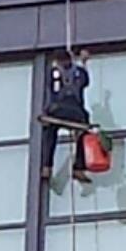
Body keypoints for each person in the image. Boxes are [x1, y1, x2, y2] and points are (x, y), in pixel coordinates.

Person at [38, 49, 94, 183]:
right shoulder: (78, 72)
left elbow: (51, 89)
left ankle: (47, 166)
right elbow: (85, 82)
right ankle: (78, 168)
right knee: (83, 131)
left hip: (58, 110)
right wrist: (84, 63)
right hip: (75, 112)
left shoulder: (54, 72)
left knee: (50, 132)